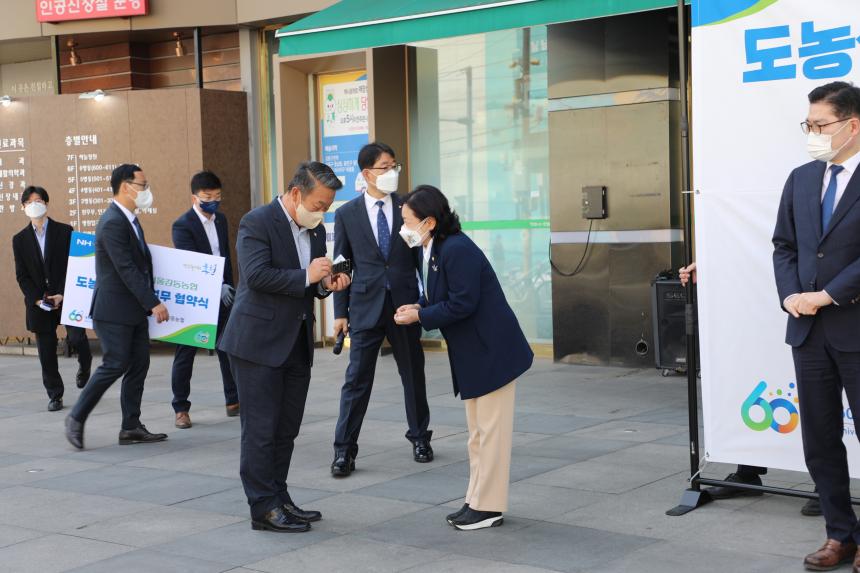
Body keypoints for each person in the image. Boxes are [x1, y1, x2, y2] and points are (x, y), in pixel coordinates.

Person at [219, 161, 351, 533]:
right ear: (296, 193)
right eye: (319, 204)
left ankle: (279, 496)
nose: (322, 213)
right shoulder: (257, 222)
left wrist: (325, 284)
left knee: (286, 429)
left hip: (295, 341)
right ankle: (263, 507)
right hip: (257, 343)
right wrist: (307, 275)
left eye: (327, 207)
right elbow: (257, 275)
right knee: (260, 430)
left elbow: (309, 284)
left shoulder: (315, 229)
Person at [394, 185, 533, 531]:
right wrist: (418, 306)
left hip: (492, 353)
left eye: (408, 221)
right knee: (478, 434)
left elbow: (462, 303)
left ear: (428, 221)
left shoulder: (456, 249)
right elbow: (441, 296)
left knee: (491, 435)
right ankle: (476, 500)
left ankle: (489, 507)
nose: (404, 228)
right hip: (474, 354)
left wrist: (420, 317)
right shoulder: (436, 248)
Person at [772, 81, 860, 571]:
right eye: (807, 124)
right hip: (807, 331)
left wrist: (828, 294)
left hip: (854, 324)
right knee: (820, 439)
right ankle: (839, 534)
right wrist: (790, 296)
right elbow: (784, 246)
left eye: (820, 124)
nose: (812, 133)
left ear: (852, 125)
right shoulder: (802, 178)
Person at [679, 262, 822, 516]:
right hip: (755, 297)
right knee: (750, 381)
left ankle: (827, 484)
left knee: (818, 399)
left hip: (812, 300)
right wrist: (712, 268)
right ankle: (747, 472)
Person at [331, 142, 432, 477]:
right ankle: (344, 450)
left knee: (413, 374)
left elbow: (420, 257)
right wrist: (340, 313)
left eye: (394, 166)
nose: (391, 172)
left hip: (405, 305)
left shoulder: (408, 207)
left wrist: (425, 301)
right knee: (356, 380)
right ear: (366, 173)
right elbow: (341, 265)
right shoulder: (347, 213)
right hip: (365, 305)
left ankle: (420, 438)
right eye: (384, 167)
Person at [65, 164, 170, 450]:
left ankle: (131, 426)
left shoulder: (130, 220)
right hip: (113, 311)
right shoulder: (112, 222)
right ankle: (76, 417)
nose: (147, 191)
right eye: (143, 185)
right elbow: (125, 268)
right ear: (126, 187)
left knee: (139, 364)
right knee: (115, 363)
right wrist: (153, 302)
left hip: (133, 311)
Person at [12, 186, 92, 411]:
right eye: (29, 202)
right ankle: (55, 395)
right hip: (39, 303)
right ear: (23, 207)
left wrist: (62, 293)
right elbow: (22, 275)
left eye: (38, 200)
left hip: (66, 296)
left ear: (46, 204)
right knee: (46, 353)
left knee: (78, 339)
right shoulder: (19, 239)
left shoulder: (65, 231)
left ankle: (85, 366)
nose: (34, 205)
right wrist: (37, 300)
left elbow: (74, 265)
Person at [169, 170, 238, 429]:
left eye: (217, 196)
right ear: (194, 198)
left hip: (223, 296)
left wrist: (228, 285)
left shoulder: (221, 220)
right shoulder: (182, 225)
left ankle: (233, 400)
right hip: (195, 298)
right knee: (185, 353)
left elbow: (224, 256)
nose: (213, 202)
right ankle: (181, 408)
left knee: (226, 348)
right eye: (207, 197)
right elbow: (192, 263)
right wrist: (216, 286)